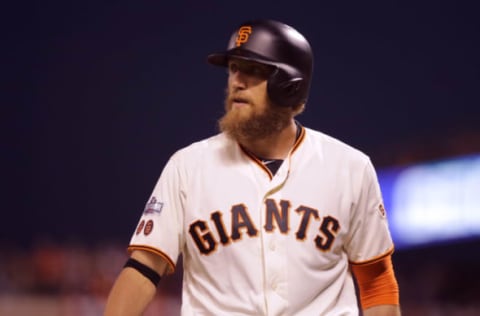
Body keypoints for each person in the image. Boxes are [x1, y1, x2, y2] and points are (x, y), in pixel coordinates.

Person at [104, 19, 401, 316]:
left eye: (254, 71)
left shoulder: (350, 168)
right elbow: (143, 268)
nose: (237, 81)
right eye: (234, 68)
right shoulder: (188, 167)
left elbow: (377, 281)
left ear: (290, 86)